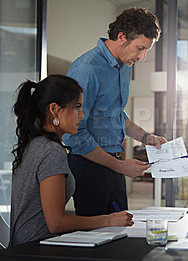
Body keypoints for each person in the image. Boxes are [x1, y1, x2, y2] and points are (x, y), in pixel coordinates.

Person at [62, 7, 166, 216]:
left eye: (146, 50)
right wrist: (119, 166)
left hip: (114, 165)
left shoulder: (124, 66)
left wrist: (146, 137)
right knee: (97, 239)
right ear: (121, 37)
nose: (142, 57)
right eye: (140, 48)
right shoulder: (87, 69)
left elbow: (116, 114)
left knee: (120, 232)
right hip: (90, 166)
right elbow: (74, 134)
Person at [10, 75, 134, 246]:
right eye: (77, 107)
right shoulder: (51, 152)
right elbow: (56, 223)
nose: (82, 116)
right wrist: (108, 220)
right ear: (54, 109)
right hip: (38, 249)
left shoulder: (33, 144)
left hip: (27, 247)